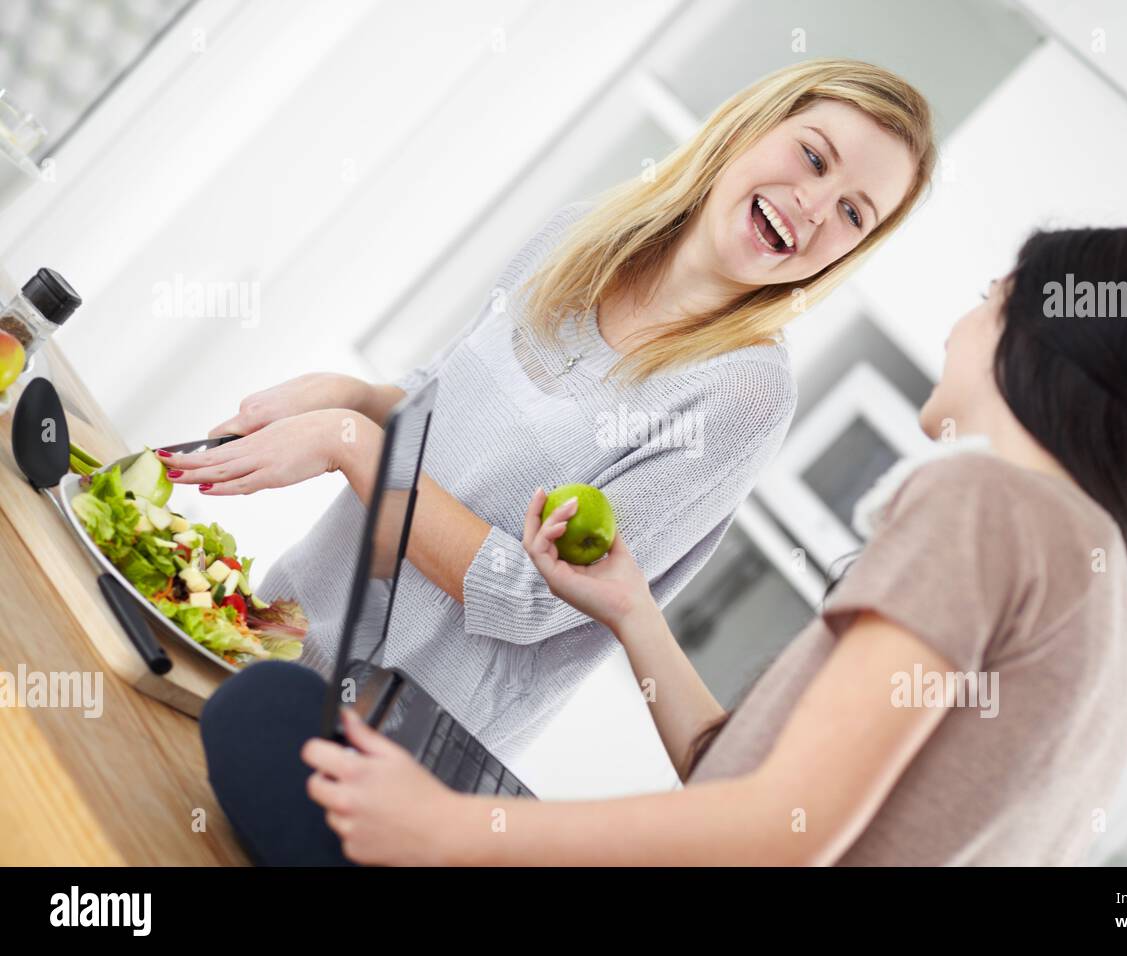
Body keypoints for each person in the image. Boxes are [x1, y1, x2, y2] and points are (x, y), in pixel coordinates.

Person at [297, 226, 1127, 865]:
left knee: (262, 729)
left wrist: (456, 830)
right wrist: (630, 611)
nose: (957, 327)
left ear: (1034, 338)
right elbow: (742, 781)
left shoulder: (988, 505)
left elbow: (782, 833)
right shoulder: (1099, 602)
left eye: (986, 300)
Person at [171, 58, 936, 760]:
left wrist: (349, 442)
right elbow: (435, 410)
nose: (813, 205)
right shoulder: (576, 235)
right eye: (813, 156)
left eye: (853, 213)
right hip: (270, 629)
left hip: (381, 748)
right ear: (752, 124)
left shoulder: (744, 394)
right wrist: (351, 398)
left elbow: (528, 597)